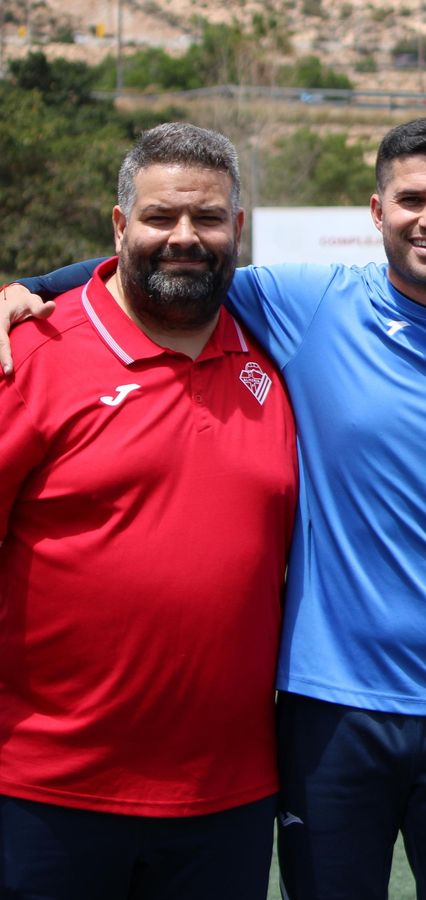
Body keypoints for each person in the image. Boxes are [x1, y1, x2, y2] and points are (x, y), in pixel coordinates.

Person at [2, 117, 426, 897]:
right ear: (376, 211)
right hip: (326, 709)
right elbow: (174, 259)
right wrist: (33, 285)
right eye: (411, 197)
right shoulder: (302, 304)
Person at [0, 124, 296, 898]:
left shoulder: (277, 359)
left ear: (237, 230)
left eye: (206, 220)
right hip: (43, 790)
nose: (184, 238)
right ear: (120, 225)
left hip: (227, 798)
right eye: (162, 217)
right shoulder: (30, 354)